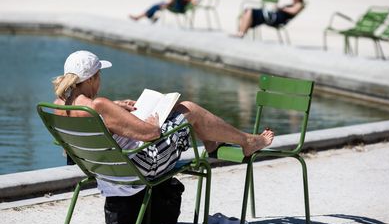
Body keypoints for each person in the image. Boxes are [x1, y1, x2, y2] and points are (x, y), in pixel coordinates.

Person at [52, 50, 274, 196]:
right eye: (99, 75)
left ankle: (212, 143)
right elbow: (151, 134)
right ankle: (248, 141)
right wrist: (151, 121)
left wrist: (116, 107)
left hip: (105, 172)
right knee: (188, 109)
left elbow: (92, 123)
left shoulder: (59, 106)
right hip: (141, 168)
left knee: (177, 111)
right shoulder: (99, 105)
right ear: (91, 79)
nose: (101, 80)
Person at [234, 0, 304, 38]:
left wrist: (281, 8)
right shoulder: (292, 4)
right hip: (273, 16)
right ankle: (241, 32)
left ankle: (241, 33)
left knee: (250, 11)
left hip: (275, 19)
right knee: (248, 12)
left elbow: (293, 11)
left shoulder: (299, 4)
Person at [129, 0, 202, 23]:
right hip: (177, 4)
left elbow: (193, 3)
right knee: (157, 6)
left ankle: (146, 17)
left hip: (180, 7)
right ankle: (150, 17)